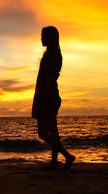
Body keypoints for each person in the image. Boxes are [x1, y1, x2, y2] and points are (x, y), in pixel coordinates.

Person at [32, 25, 75, 170]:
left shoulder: (53, 55)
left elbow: (50, 77)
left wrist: (42, 94)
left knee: (43, 133)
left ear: (50, 37)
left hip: (47, 97)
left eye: (43, 36)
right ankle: (54, 162)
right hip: (49, 95)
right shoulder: (52, 53)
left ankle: (67, 156)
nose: (41, 38)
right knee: (53, 133)